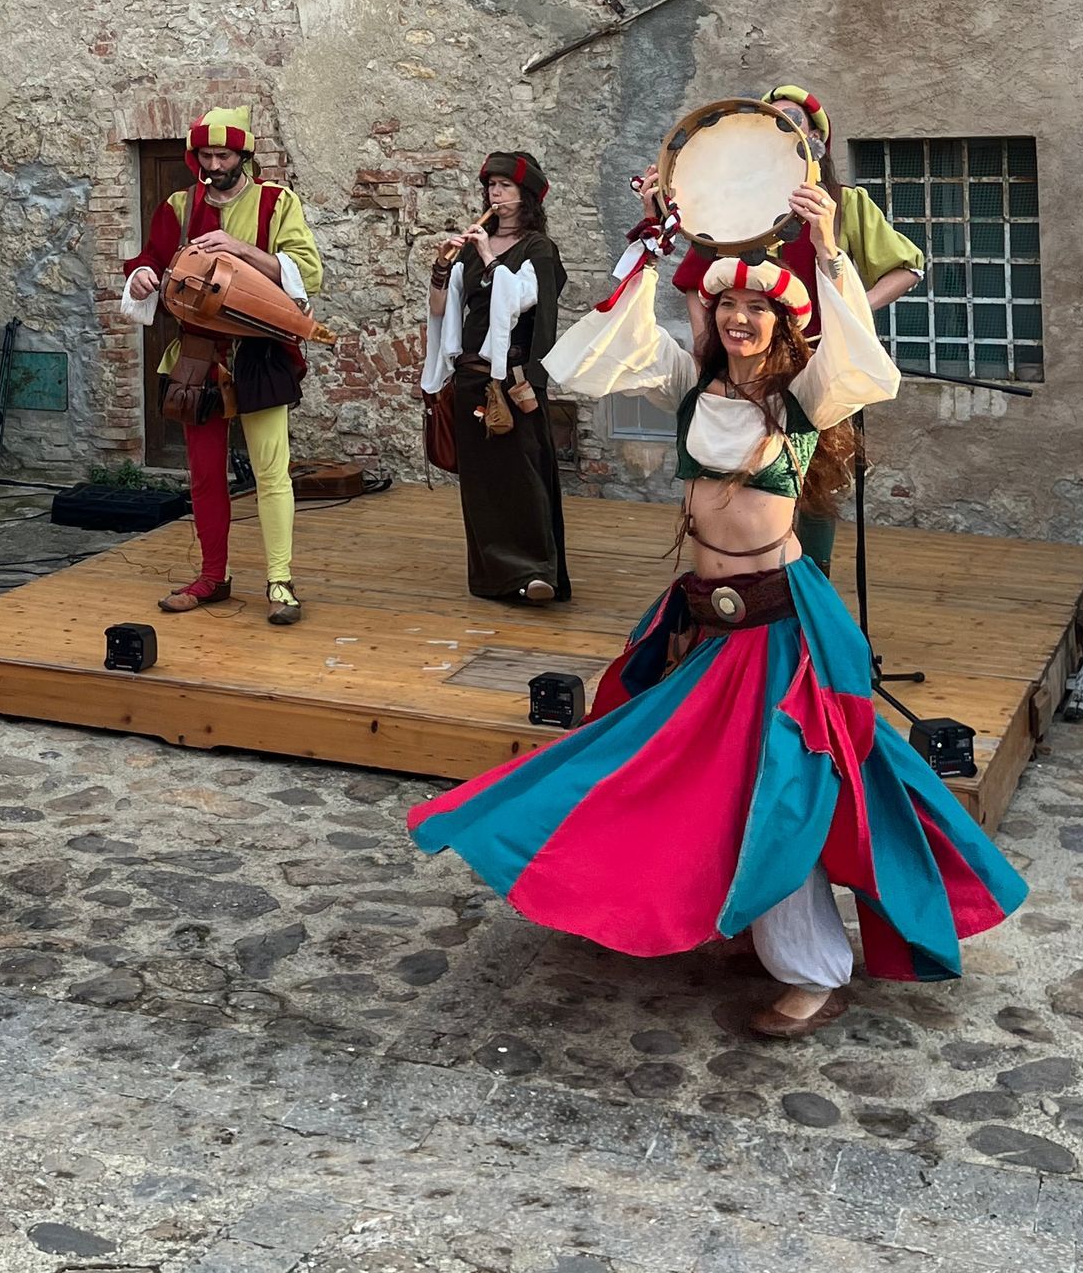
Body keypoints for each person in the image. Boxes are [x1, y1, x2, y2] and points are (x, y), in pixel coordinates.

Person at [409, 179, 1026, 1038]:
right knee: (695, 777)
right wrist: (655, 249)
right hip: (704, 618)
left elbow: (861, 360)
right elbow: (593, 355)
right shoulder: (693, 393)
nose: (736, 319)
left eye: (754, 310)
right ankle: (742, 916)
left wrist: (835, 253)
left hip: (779, 629)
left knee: (784, 785)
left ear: (781, 326)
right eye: (724, 304)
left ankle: (814, 971)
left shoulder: (801, 401)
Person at [665, 84, 925, 572]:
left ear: (815, 141)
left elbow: (908, 267)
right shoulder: (735, 206)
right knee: (747, 470)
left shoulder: (843, 205)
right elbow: (691, 282)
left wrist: (851, 317)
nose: (781, 129)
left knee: (819, 478)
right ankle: (743, 568)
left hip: (816, 361)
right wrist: (704, 342)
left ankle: (811, 580)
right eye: (772, 120)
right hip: (747, 360)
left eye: (792, 121)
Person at [121, 107, 324, 627]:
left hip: (259, 354)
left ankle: (280, 582)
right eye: (206, 155)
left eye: (224, 155)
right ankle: (212, 577)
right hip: (196, 357)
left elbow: (307, 273)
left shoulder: (277, 203)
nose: (214, 164)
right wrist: (143, 275)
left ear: (244, 156)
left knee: (271, 472)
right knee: (206, 478)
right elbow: (153, 258)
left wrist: (239, 249)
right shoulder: (178, 205)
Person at [422, 150, 570, 604]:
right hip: (471, 376)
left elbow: (526, 302)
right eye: (491, 186)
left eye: (504, 186)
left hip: (514, 378)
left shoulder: (538, 249)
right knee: (483, 483)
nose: (495, 194)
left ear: (525, 196)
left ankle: (536, 573)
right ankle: (494, 577)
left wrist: (488, 256)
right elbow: (440, 308)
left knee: (523, 475)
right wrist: (445, 265)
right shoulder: (472, 247)